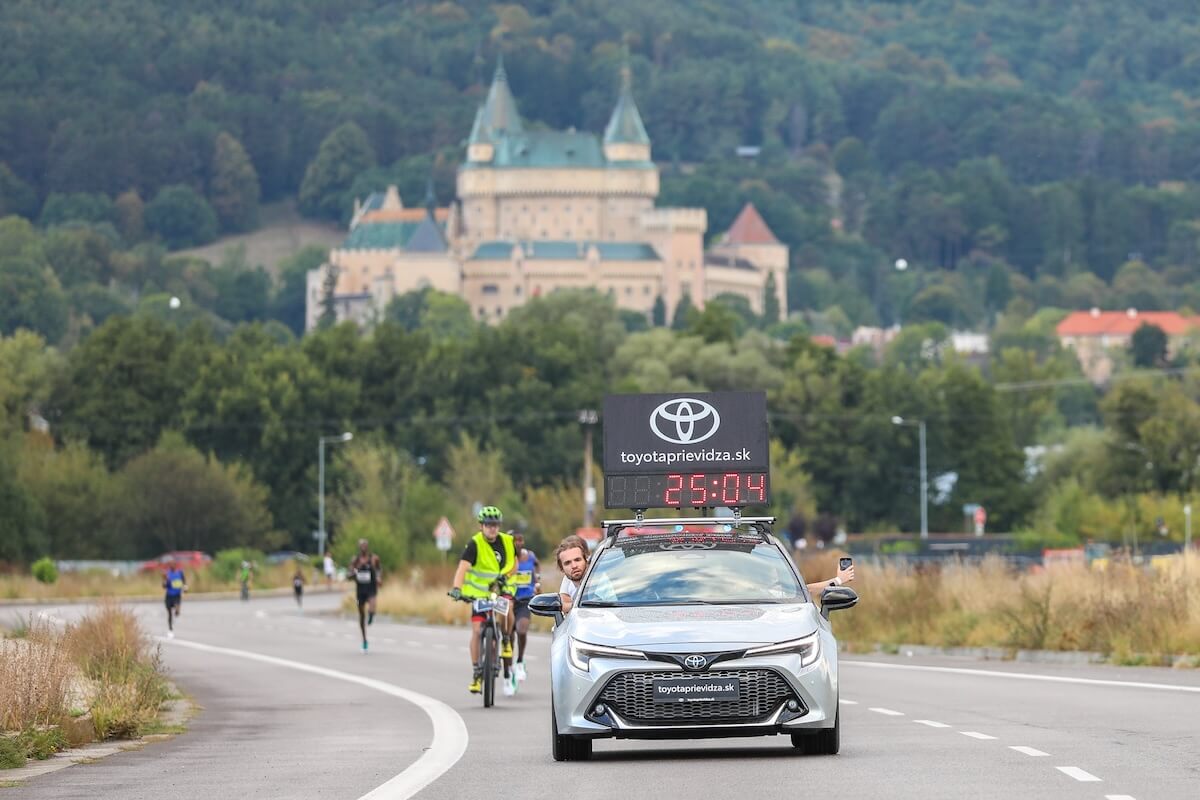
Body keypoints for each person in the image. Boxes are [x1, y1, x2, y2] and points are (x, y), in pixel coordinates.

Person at [449, 506, 516, 694]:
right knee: (477, 631)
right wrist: (456, 589)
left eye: (495, 525)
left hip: (502, 588)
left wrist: (506, 576)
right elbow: (462, 569)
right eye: (488, 525)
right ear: (481, 526)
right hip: (479, 594)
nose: (492, 528)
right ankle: (477, 672)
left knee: (508, 607)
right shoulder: (475, 544)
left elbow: (514, 564)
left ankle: (506, 640)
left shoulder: (507, 542)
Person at [509, 531, 541, 683]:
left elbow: (537, 567)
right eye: (515, 540)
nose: (518, 543)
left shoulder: (530, 556)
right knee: (508, 636)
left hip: (524, 600)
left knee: (521, 631)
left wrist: (537, 583)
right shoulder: (507, 558)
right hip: (509, 600)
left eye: (521, 540)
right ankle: (508, 669)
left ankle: (520, 661)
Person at [348, 539, 382, 653]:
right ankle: (364, 640)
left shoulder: (374, 558)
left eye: (365, 545)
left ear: (367, 547)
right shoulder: (355, 560)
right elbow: (349, 575)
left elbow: (378, 569)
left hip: (371, 588)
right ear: (359, 547)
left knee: (372, 606)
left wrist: (378, 578)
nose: (363, 547)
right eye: (361, 545)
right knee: (361, 615)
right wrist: (355, 571)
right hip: (360, 590)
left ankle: (371, 615)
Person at [555, 535, 590, 614]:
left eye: (577, 560)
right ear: (561, 569)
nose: (574, 566)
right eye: (567, 563)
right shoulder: (569, 584)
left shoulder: (598, 582)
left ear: (586, 561)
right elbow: (563, 604)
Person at [162, 557, 186, 638]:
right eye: (170, 564)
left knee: (177, 609)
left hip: (177, 595)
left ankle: (177, 611)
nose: (172, 566)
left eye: (173, 564)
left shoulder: (180, 573)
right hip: (169, 596)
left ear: (175, 565)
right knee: (169, 614)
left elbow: (184, 581)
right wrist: (165, 580)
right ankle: (170, 629)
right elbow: (164, 586)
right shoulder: (167, 574)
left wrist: (185, 587)